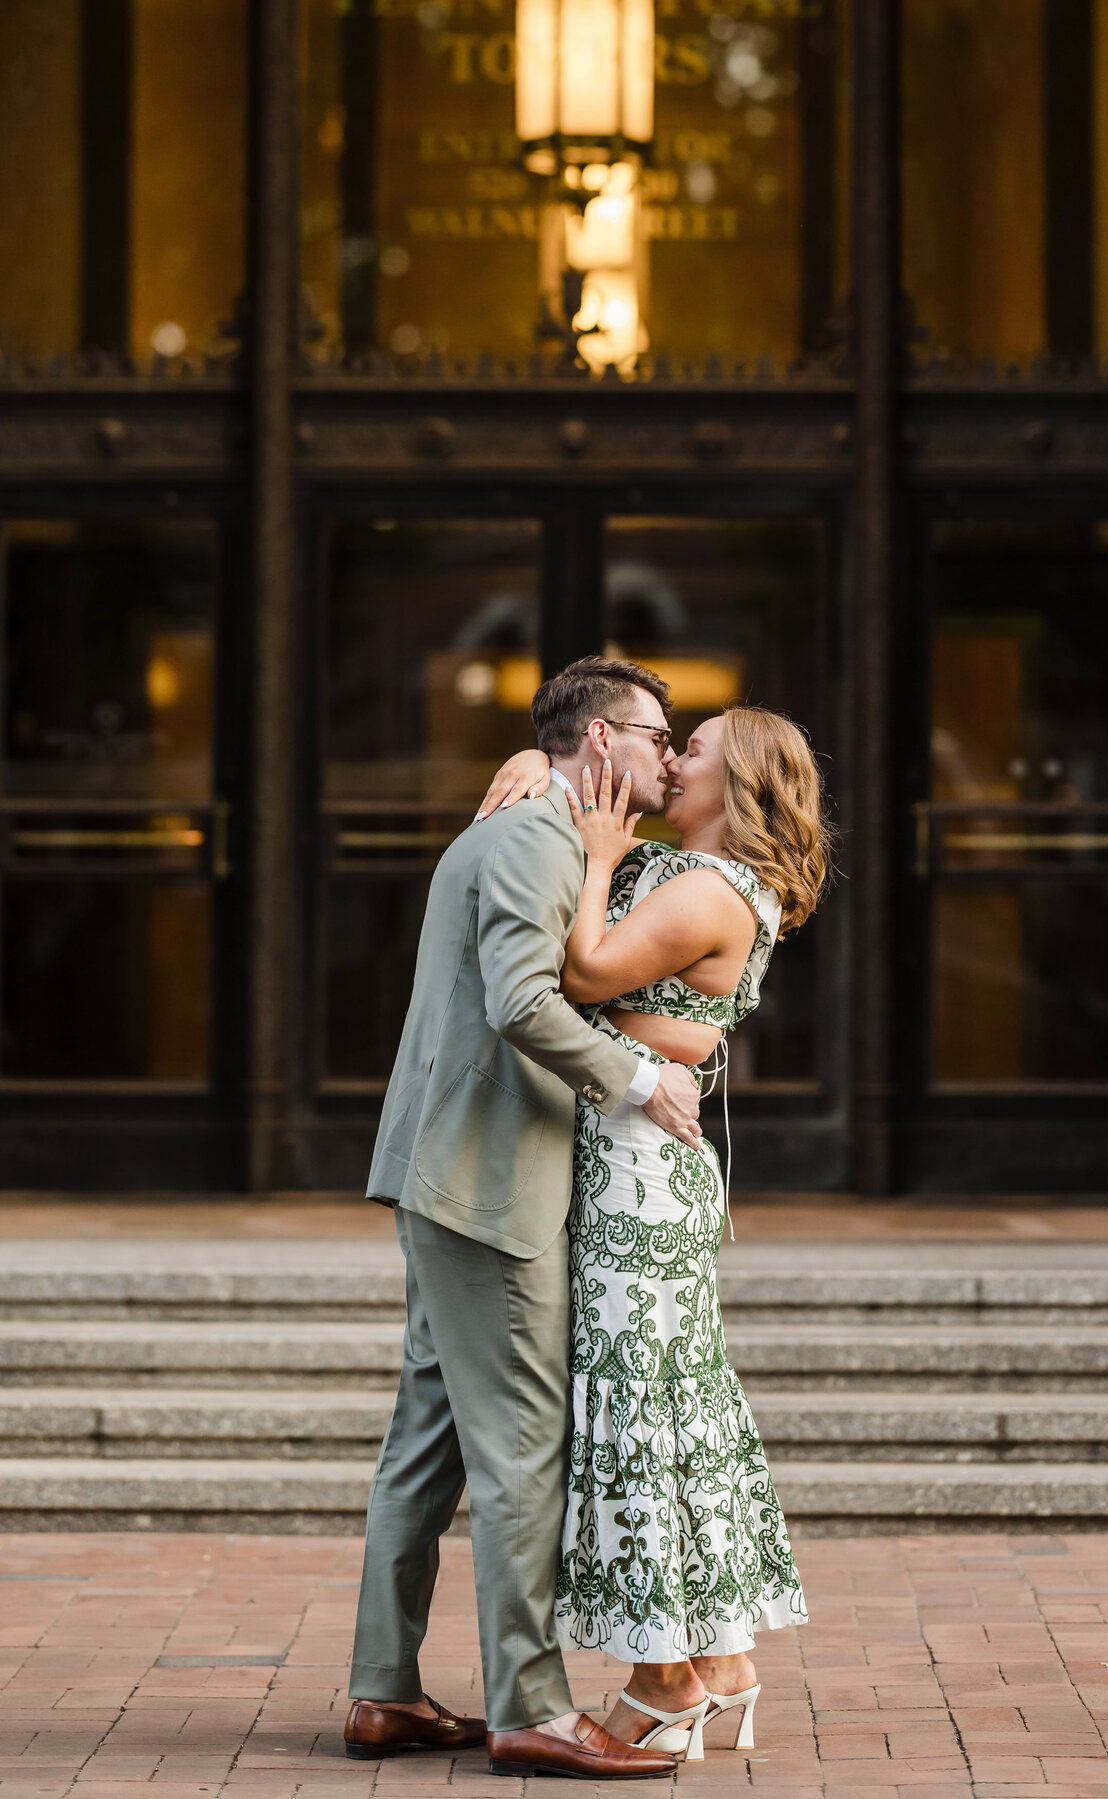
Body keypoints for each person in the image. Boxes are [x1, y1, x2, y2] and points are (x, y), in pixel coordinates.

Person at [343, 657, 706, 1781]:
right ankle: (531, 1708)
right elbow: (519, 999)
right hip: (489, 1186)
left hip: (454, 1176)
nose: (667, 749)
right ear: (601, 740)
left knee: (430, 1440)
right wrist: (640, 1080)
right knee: (522, 1451)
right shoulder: (533, 838)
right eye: (656, 733)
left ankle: (383, 1692)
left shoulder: (532, 828)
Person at [476, 700, 829, 1760]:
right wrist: (529, 760)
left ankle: (664, 1677)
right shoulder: (677, 865)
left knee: (641, 1405)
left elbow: (582, 973)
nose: (674, 761)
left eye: (698, 751)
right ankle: (717, 1662)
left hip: (643, 1169)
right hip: (623, 1142)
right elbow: (574, 763)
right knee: (661, 1401)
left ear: (743, 783)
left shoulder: (711, 887)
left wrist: (592, 860)